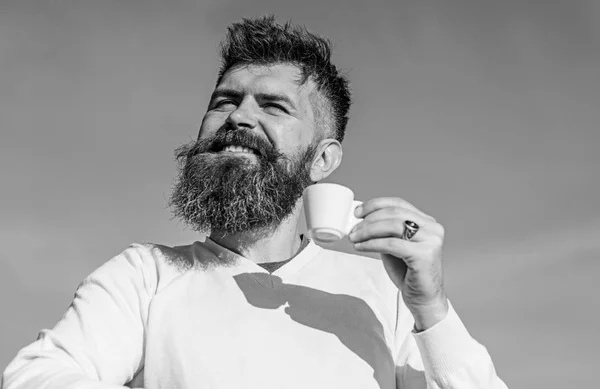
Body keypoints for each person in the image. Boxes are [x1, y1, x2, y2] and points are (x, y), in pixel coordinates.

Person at [2, 16, 508, 389]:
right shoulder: (144, 275)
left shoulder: (385, 295)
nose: (238, 117)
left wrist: (431, 307)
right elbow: (37, 376)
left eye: (273, 106)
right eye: (225, 100)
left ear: (323, 160)